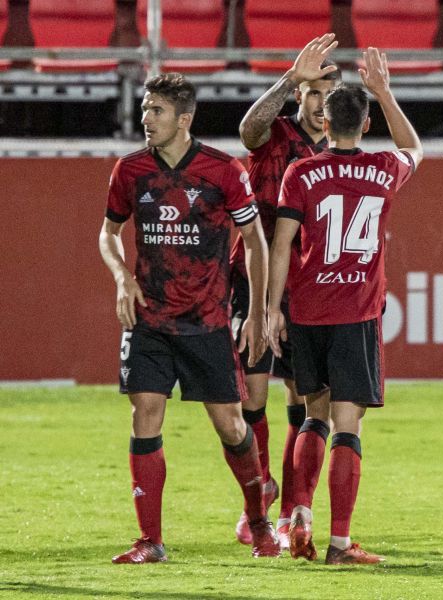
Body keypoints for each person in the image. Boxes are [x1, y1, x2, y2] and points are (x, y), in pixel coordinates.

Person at [99, 72, 280, 562]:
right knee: (145, 416)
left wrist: (261, 313)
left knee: (231, 427)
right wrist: (121, 276)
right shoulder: (131, 170)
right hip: (149, 321)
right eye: (143, 109)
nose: (144, 119)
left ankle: (260, 520)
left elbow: (257, 243)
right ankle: (150, 541)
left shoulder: (223, 171)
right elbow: (108, 233)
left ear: (184, 118)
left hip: (207, 322)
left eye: (155, 111)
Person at [268, 47, 423, 565]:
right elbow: (415, 148)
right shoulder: (384, 168)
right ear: (367, 121)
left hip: (307, 311)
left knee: (311, 415)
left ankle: (297, 514)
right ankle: (339, 543)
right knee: (347, 425)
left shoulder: (299, 173)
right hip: (356, 314)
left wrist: (272, 308)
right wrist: (383, 89)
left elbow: (282, 242)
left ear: (325, 120)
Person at [230, 33, 342, 549]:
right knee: (250, 396)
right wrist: (289, 76)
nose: (322, 105)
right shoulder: (273, 134)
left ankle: (297, 509)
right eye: (314, 93)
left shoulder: (340, 156)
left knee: (304, 397)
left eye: (329, 95)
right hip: (250, 278)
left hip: (307, 288)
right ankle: (263, 492)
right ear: (302, 96)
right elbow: (246, 128)